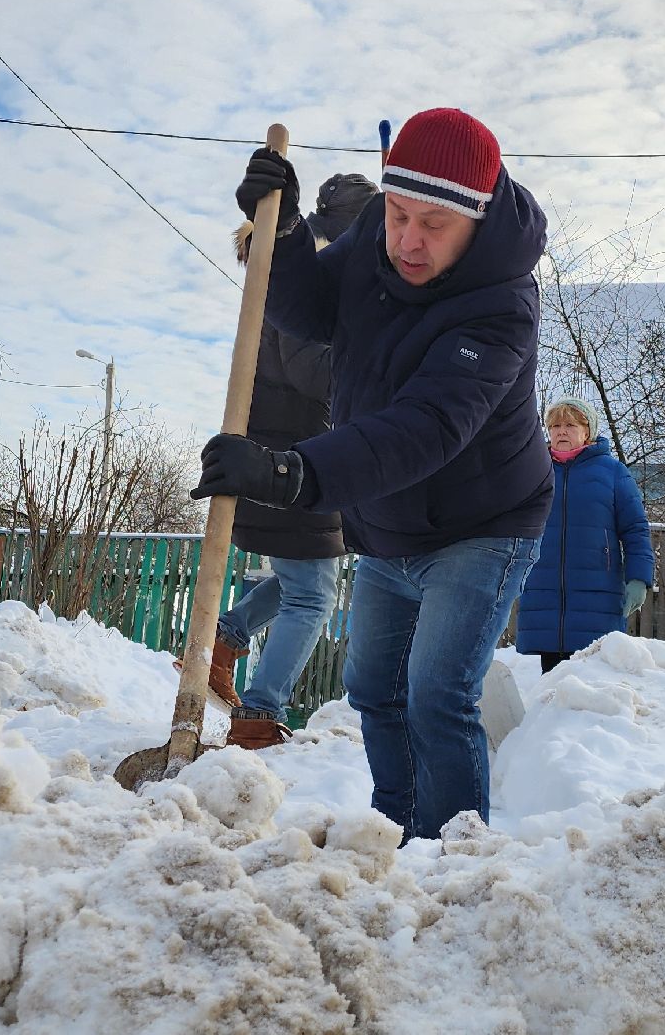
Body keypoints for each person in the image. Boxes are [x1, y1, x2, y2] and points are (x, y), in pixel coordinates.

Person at [194, 108, 552, 840]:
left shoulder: (501, 305)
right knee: (372, 692)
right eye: (396, 214)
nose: (407, 241)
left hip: (483, 527)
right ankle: (393, 835)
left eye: (433, 225)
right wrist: (286, 233)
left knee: (435, 695)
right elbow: (309, 310)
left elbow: (425, 428)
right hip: (390, 522)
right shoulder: (375, 239)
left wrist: (290, 473)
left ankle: (452, 857)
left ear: (477, 221)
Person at [216, 173, 381, 751]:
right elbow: (314, 371)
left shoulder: (288, 272)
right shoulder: (304, 284)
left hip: (282, 447)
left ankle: (224, 638)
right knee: (313, 591)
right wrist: (373, 362)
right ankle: (259, 714)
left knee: (300, 578)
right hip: (292, 454)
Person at [515, 397, 654, 672]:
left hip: (597, 590)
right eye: (555, 426)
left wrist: (639, 578)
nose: (561, 431)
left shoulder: (612, 472)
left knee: (594, 680)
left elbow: (635, 529)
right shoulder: (534, 470)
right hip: (543, 587)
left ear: (587, 431)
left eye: (569, 424)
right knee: (552, 682)